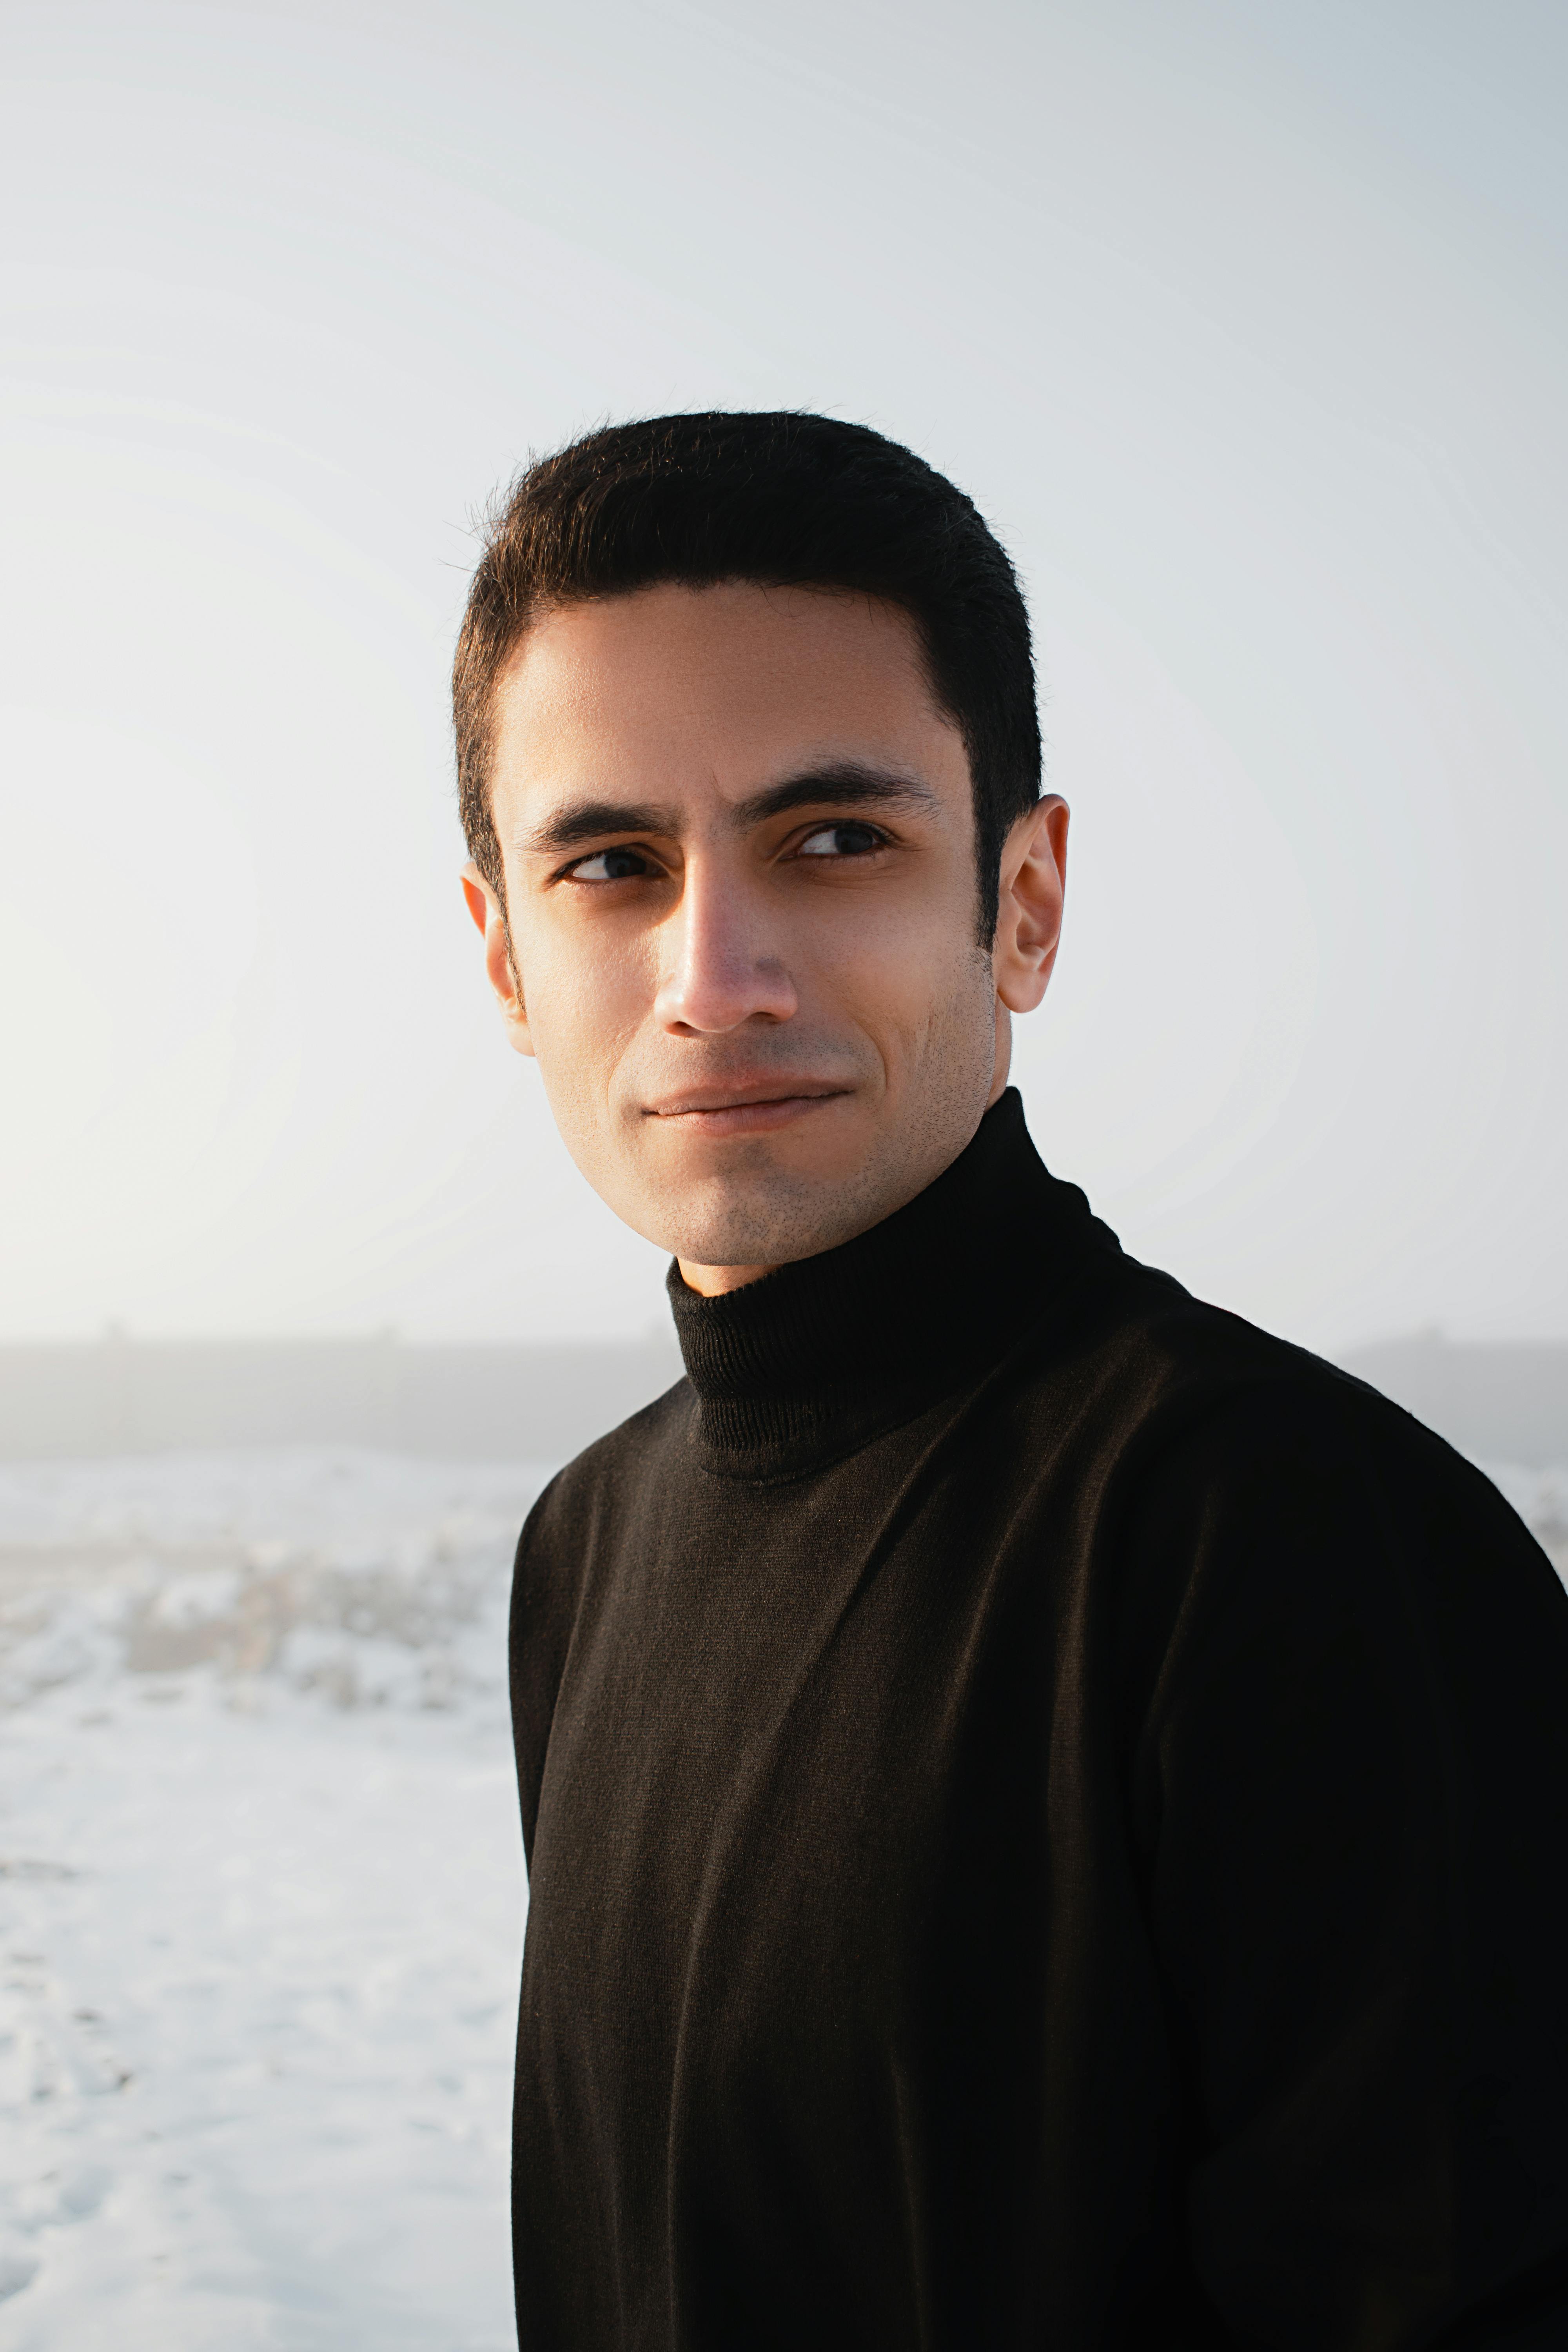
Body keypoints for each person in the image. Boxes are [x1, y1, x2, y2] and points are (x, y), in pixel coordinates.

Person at [455, 412, 1568, 2349]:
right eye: (615, 865)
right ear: (503, 963)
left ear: (1024, 902)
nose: (717, 973)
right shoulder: (585, 1547)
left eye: (832, 840)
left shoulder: (1296, 1543)